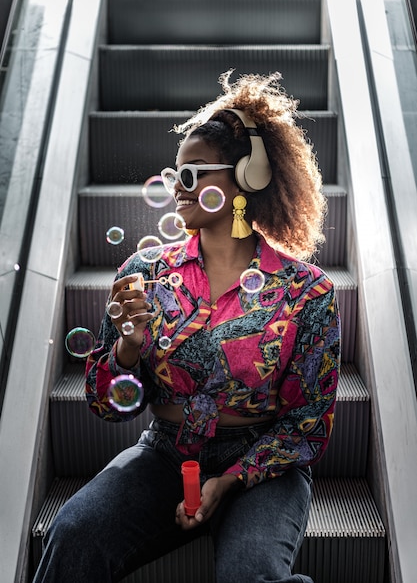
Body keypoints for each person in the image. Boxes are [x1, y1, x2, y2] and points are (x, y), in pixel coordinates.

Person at [33, 71, 340, 583]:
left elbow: (307, 423)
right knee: (73, 534)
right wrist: (127, 351)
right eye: (175, 174)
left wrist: (231, 480)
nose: (178, 187)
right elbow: (105, 405)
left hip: (263, 465)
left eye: (193, 174)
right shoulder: (145, 273)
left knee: (251, 574)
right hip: (166, 452)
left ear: (248, 176)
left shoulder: (308, 293)